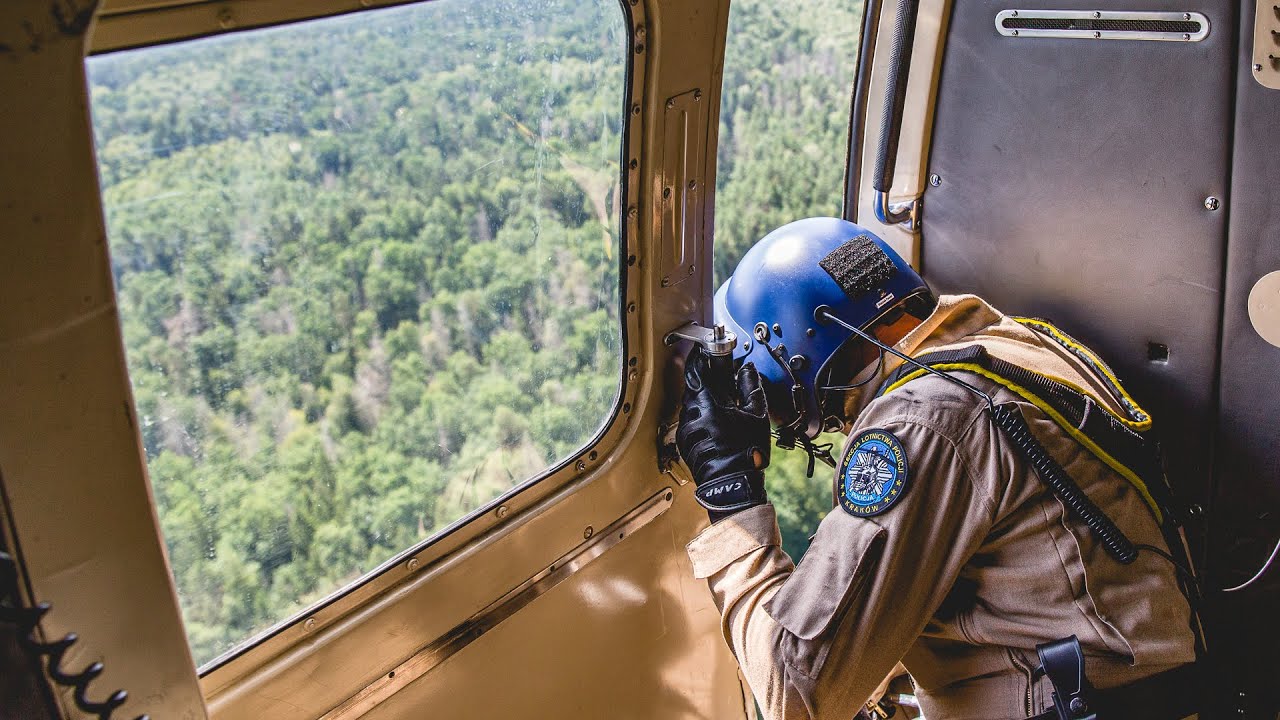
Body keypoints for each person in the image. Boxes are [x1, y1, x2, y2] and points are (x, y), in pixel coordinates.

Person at [676, 217, 1202, 720]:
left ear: (796, 360)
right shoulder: (1010, 347)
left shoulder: (924, 423)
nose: (826, 427)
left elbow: (793, 692)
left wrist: (732, 498)